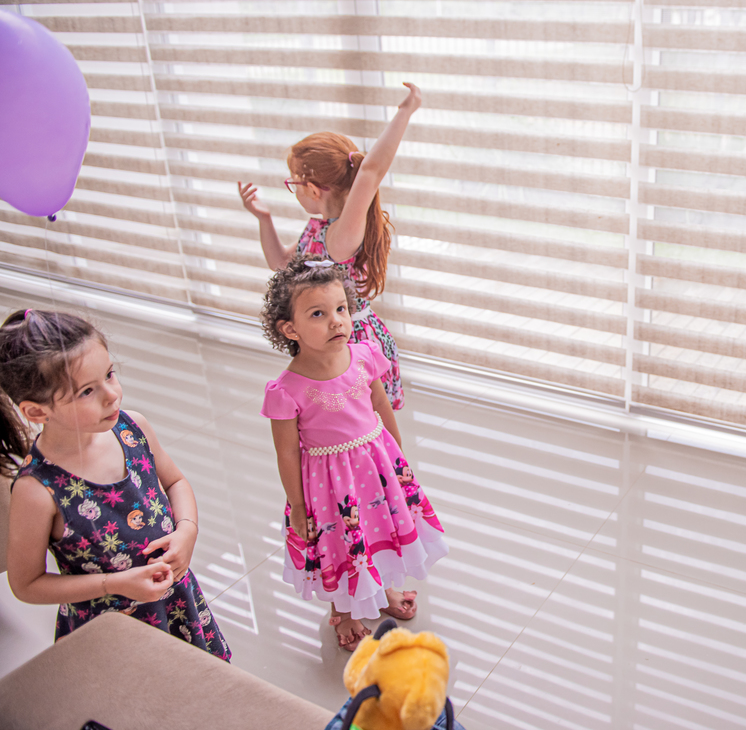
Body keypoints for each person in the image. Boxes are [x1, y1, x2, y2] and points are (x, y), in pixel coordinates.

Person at [3, 309, 230, 659]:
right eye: (86, 391)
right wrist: (115, 585)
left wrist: (187, 530)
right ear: (37, 412)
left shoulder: (132, 427)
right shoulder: (37, 490)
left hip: (175, 603)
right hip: (108, 626)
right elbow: (27, 583)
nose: (112, 394)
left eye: (109, 374)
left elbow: (176, 482)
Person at [260, 256, 447, 651]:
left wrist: (400, 461)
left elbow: (382, 406)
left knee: (382, 527)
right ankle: (343, 612)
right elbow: (288, 454)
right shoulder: (286, 389)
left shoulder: (363, 355)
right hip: (330, 485)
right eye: (319, 313)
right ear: (289, 328)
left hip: (378, 467)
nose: (337, 321)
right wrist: (297, 505)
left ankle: (381, 592)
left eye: (341, 309)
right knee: (342, 541)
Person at [240, 84, 422, 410]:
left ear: (311, 188)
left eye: (292, 182)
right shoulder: (318, 229)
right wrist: (263, 219)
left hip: (350, 341)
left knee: (362, 420)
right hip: (330, 335)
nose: (291, 189)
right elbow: (280, 262)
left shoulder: (339, 239)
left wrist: (404, 111)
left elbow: (371, 171)